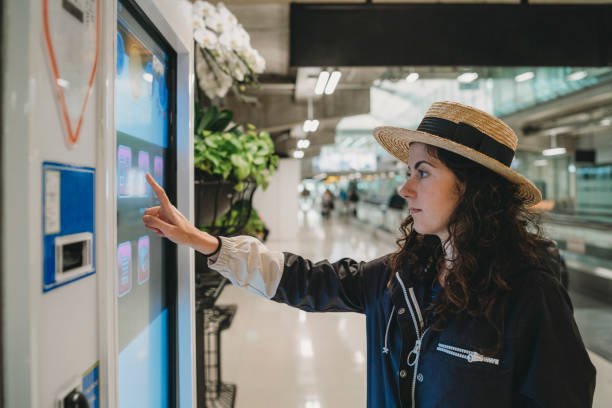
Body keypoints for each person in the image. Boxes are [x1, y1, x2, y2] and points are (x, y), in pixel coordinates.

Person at [143, 101, 595, 407]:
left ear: (473, 187)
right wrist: (208, 244)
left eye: (423, 172)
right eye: (407, 172)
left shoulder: (528, 291)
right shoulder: (406, 275)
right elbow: (310, 281)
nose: (404, 188)